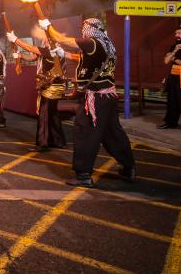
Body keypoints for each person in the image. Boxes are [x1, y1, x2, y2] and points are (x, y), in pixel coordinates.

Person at [40, 16, 136, 187]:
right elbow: (82, 58)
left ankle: (83, 175)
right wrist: (64, 54)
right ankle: (128, 167)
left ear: (92, 28)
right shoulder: (105, 44)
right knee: (113, 133)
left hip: (96, 98)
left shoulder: (93, 42)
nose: (83, 31)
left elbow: (60, 39)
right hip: (108, 96)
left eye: (84, 28)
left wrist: (48, 27)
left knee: (85, 132)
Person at [7, 30, 67, 151]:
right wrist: (19, 55)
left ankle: (42, 143)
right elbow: (32, 57)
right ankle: (58, 141)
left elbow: (31, 48)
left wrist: (15, 39)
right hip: (55, 86)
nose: (44, 41)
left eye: (46, 40)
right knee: (53, 114)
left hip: (50, 87)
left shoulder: (51, 51)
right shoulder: (55, 51)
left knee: (44, 115)